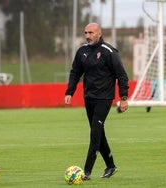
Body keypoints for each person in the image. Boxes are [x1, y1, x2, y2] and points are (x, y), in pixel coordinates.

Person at [64, 23, 129, 180]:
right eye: (85, 32)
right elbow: (75, 72)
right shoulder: (82, 51)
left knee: (94, 133)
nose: (87, 35)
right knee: (99, 133)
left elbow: (121, 74)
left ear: (99, 33)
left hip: (104, 99)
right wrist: (70, 92)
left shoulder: (109, 52)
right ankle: (111, 166)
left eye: (91, 32)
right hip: (89, 98)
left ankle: (86, 172)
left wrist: (123, 97)